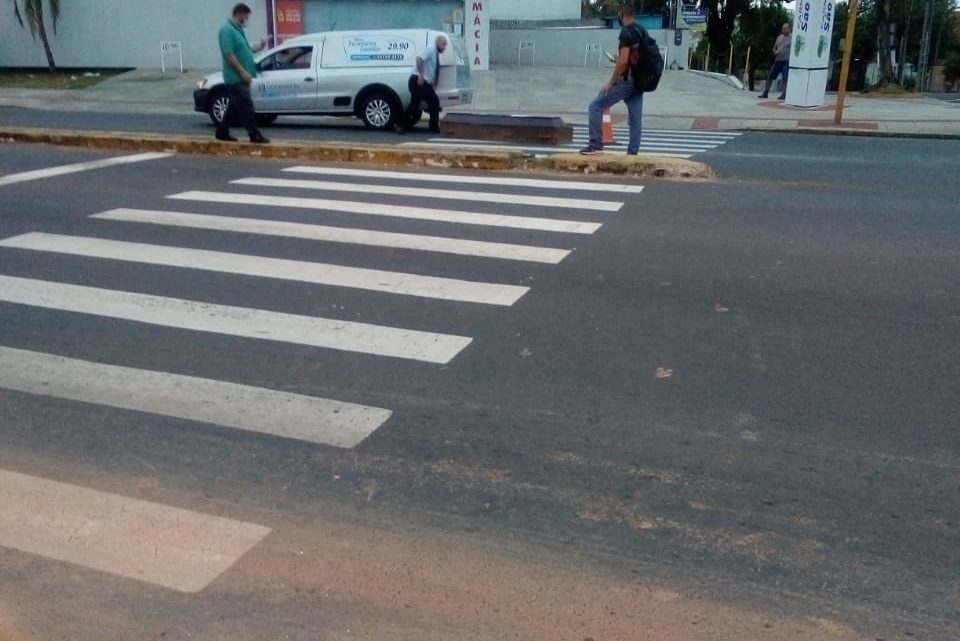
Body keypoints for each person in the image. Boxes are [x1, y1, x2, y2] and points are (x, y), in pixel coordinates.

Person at [579, 4, 644, 155]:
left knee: (595, 106)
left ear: (622, 14)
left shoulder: (626, 32)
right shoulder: (642, 31)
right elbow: (633, 58)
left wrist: (611, 82)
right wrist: (620, 59)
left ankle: (595, 145)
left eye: (618, 15)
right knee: (635, 120)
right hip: (640, 81)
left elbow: (623, 62)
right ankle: (633, 154)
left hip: (627, 80)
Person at [216, 3, 269, 143]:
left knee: (234, 106)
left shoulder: (238, 30)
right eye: (246, 16)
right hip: (235, 77)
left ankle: (222, 131)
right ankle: (254, 134)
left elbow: (246, 48)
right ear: (239, 14)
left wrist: (260, 46)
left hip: (243, 76)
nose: (246, 20)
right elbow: (229, 54)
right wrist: (242, 72)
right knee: (246, 106)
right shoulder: (226, 30)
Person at [397, 35, 448, 134]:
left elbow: (431, 67)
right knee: (415, 104)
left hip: (425, 82)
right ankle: (400, 125)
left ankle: (434, 126)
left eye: (445, 45)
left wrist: (431, 80)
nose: (444, 47)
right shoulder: (430, 49)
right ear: (437, 42)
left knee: (434, 101)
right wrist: (421, 74)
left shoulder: (435, 53)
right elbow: (419, 59)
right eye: (443, 44)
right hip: (417, 80)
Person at [759, 23, 792, 100]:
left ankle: (784, 94)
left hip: (786, 61)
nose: (783, 30)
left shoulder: (792, 37)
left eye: (785, 28)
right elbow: (774, 47)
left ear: (789, 29)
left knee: (785, 78)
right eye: (783, 28)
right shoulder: (779, 37)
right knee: (770, 76)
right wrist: (775, 52)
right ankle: (765, 92)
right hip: (778, 60)